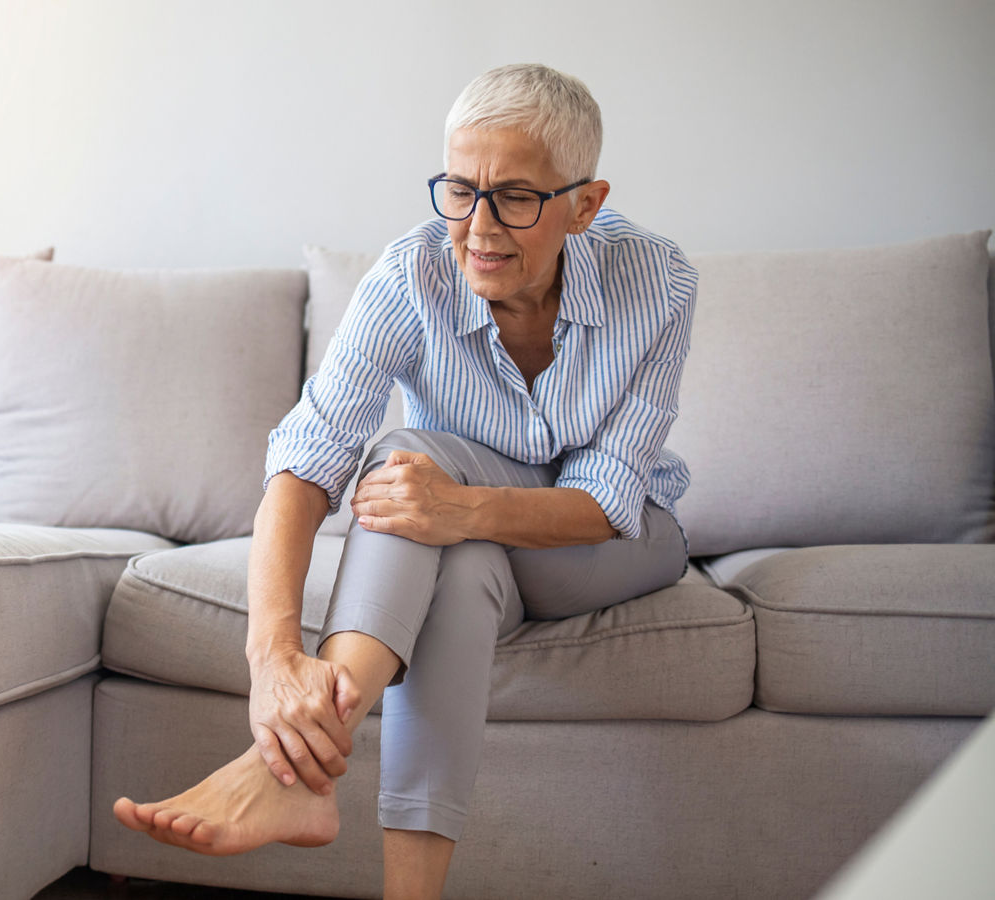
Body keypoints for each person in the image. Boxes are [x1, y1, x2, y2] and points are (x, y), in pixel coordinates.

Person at [113, 63, 697, 899]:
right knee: (460, 572)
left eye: (517, 197)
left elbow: (607, 499)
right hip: (475, 547)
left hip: (621, 540)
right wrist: (274, 659)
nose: (479, 228)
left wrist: (458, 504)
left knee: (412, 453)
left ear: (584, 204)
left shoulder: (659, 281)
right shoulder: (408, 275)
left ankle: (283, 776)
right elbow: (305, 462)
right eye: (460, 190)